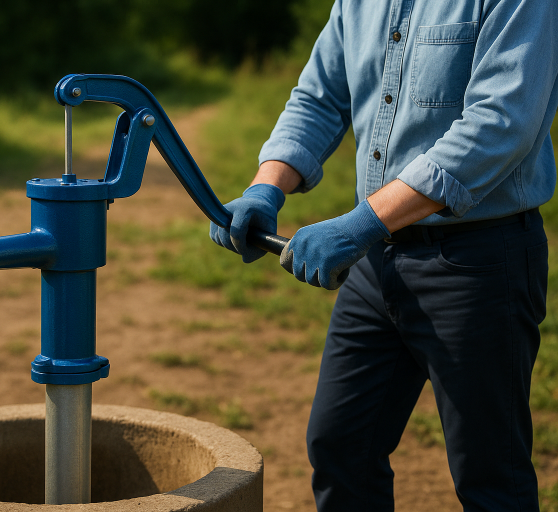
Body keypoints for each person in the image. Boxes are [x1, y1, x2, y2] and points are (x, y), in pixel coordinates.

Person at [209, 0, 558, 510]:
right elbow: (319, 98)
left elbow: (500, 123)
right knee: (341, 449)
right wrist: (267, 187)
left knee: (491, 477)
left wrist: (362, 222)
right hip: (374, 265)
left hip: (478, 264)